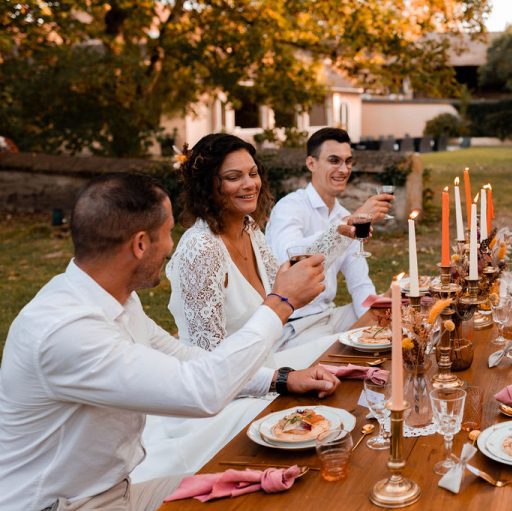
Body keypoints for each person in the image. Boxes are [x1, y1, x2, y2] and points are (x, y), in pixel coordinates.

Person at [0, 173, 338, 511]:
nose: (171, 245)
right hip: (59, 506)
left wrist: (280, 379)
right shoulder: (66, 331)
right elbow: (200, 391)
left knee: (264, 489)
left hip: (119, 492)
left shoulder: (114, 299)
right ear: (141, 244)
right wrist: (281, 302)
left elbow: (184, 358)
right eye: (168, 232)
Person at [132, 133, 355, 483]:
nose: (249, 184)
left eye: (253, 173)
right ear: (209, 186)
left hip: (264, 368)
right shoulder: (200, 251)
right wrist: (281, 380)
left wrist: (341, 233)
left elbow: (279, 281)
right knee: (316, 437)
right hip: (219, 402)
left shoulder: (250, 228)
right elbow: (212, 367)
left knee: (344, 386)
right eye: (234, 177)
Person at [266, 127, 394, 350]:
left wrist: (378, 327)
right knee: (352, 354)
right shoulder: (290, 207)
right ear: (311, 163)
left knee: (391, 328)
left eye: (348, 161)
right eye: (334, 161)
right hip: (293, 327)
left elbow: (360, 285)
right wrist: (346, 225)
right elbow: (291, 259)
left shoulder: (343, 214)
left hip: (330, 317)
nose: (344, 169)